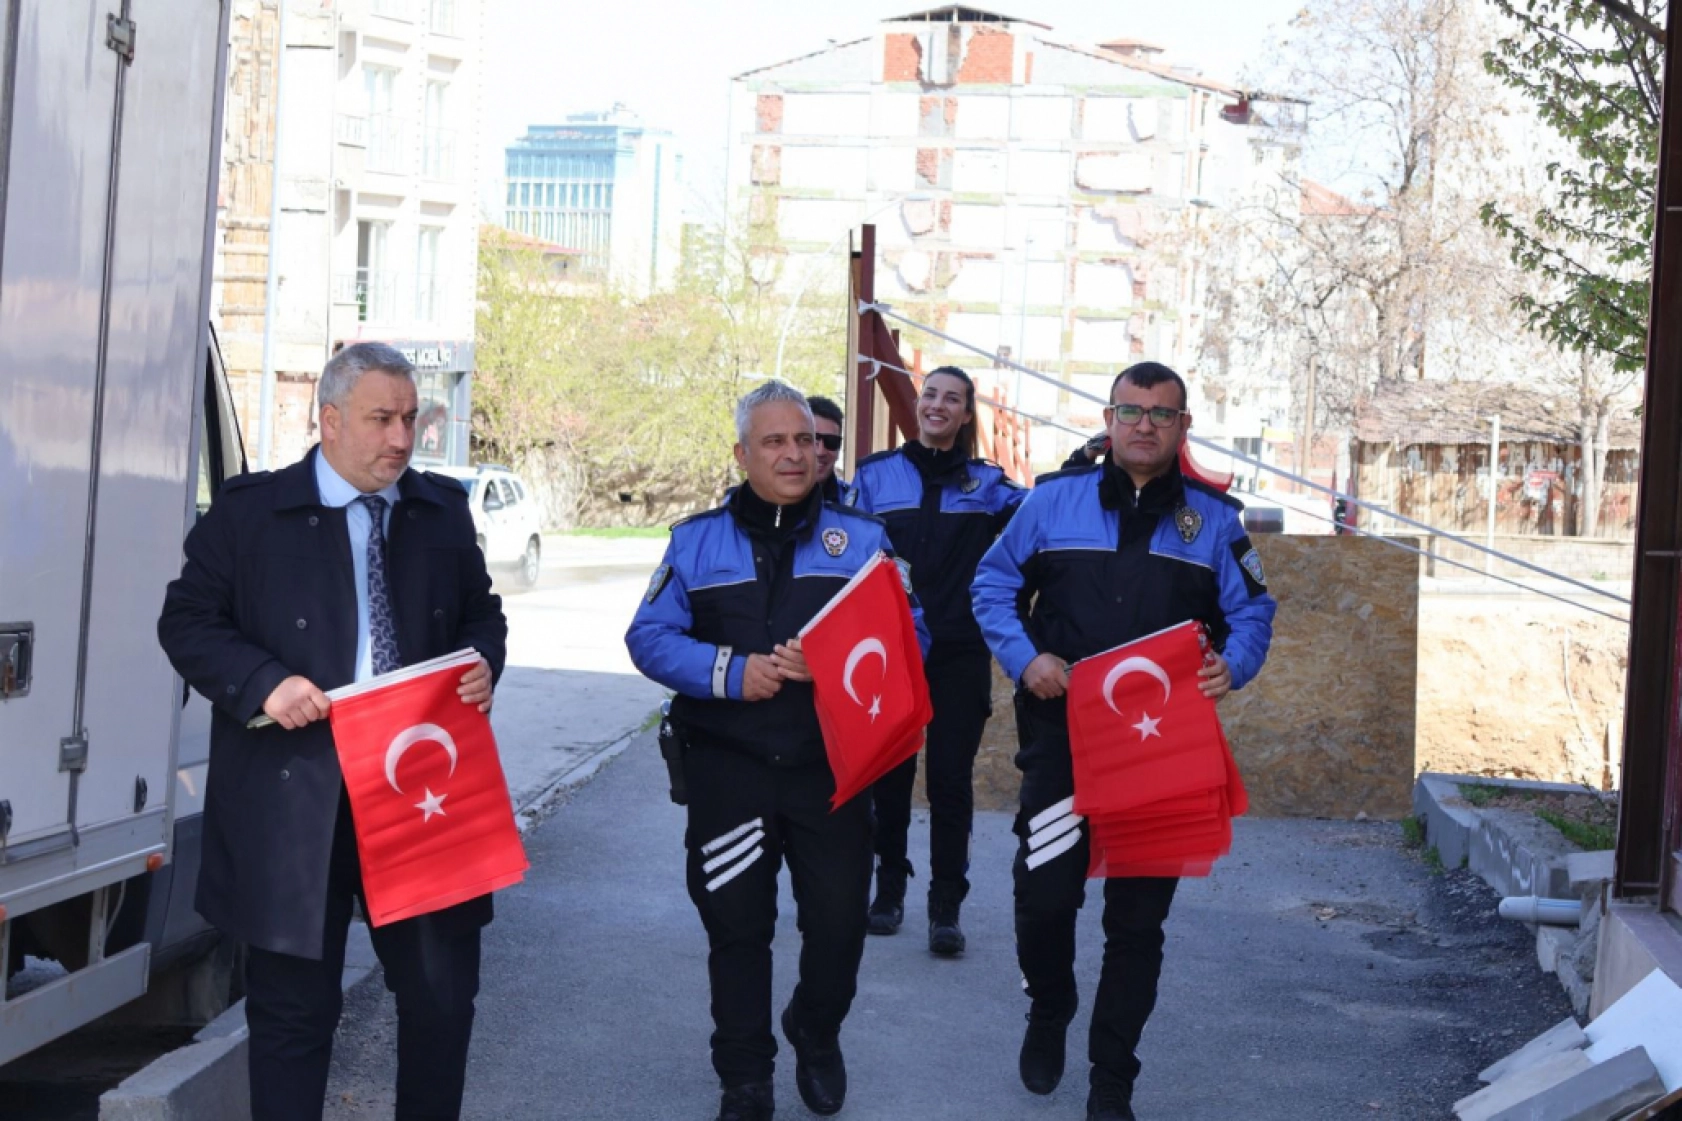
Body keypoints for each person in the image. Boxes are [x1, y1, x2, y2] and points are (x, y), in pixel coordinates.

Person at [156, 343, 507, 1121]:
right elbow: (187, 621)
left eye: (411, 418)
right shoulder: (252, 514)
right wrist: (264, 683)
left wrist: (483, 660)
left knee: (442, 1000)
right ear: (330, 420)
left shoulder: (439, 511)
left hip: (421, 794)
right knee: (293, 1017)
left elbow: (484, 612)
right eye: (382, 419)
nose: (401, 438)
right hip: (295, 799)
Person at [971, 361, 1276, 1121]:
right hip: (1062, 742)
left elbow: (1254, 612)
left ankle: (1113, 1079)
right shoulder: (1050, 503)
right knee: (1043, 901)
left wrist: (1229, 667)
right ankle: (1049, 1006)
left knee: (1136, 925)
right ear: (1109, 420)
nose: (1145, 424)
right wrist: (1025, 655)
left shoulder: (1215, 523)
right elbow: (991, 585)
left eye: (1161, 414)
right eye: (1131, 410)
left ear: (1182, 426)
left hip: (1162, 755)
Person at [625, 381, 928, 1121]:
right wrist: (729, 672)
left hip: (832, 767)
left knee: (839, 924)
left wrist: (837, 659)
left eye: (807, 441)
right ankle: (745, 1078)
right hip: (728, 767)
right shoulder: (695, 541)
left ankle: (814, 1028)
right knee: (737, 927)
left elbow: (912, 636)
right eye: (775, 442)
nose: (796, 454)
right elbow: (649, 636)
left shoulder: (863, 540)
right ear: (741, 454)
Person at [849, 366, 1026, 955]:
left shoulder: (990, 485)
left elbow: (1040, 517)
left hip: (959, 654)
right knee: (890, 780)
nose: (937, 405)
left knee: (950, 782)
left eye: (952, 399)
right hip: (891, 656)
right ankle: (888, 891)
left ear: (966, 414)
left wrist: (1082, 465)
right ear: (917, 405)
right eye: (930, 395)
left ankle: (945, 907)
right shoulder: (875, 478)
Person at [807, 394, 849, 502]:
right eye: (813, 439)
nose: (821, 451)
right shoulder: (767, 500)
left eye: (831, 442)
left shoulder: (853, 503)